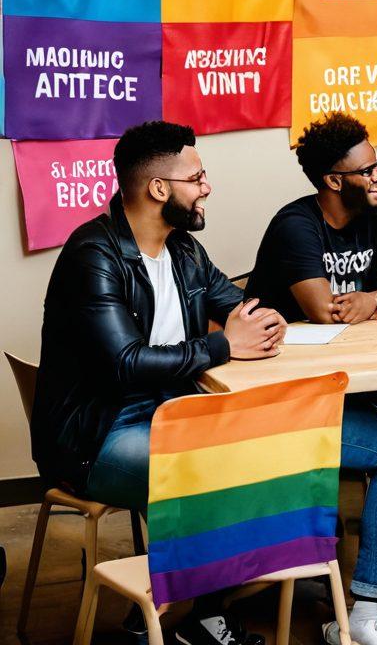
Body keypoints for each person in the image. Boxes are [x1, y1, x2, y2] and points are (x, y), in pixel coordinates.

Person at [32, 121, 285, 645]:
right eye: (197, 177)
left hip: (168, 413)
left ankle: (179, 613)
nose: (207, 187)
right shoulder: (94, 255)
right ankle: (187, 616)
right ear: (158, 189)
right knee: (209, 473)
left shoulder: (183, 250)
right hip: (96, 435)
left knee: (255, 457)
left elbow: (236, 307)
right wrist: (222, 345)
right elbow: (124, 363)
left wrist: (265, 319)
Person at [246, 112, 377, 645]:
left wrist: (373, 299)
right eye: (369, 169)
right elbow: (323, 309)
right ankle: (368, 604)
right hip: (281, 397)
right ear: (333, 180)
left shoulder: (373, 216)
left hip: (340, 379)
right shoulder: (296, 224)